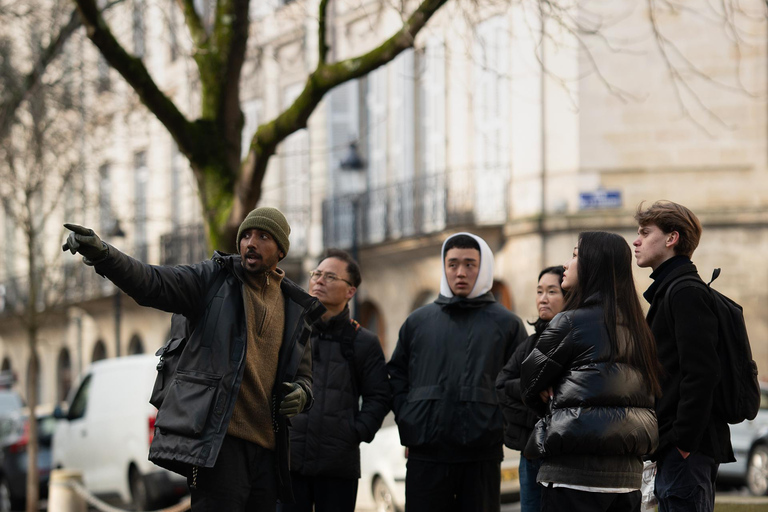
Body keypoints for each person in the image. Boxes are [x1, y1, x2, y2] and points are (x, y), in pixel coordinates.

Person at [62, 207, 325, 512]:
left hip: (268, 452)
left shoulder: (295, 308)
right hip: (218, 447)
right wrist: (104, 254)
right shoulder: (212, 280)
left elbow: (305, 377)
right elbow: (151, 282)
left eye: (263, 236)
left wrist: (302, 394)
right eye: (246, 235)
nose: (250, 243)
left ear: (281, 250)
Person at [520, 231, 661, 512]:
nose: (566, 264)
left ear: (591, 266)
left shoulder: (570, 322)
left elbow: (529, 380)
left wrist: (552, 396)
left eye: (574, 256)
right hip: (626, 481)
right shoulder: (640, 329)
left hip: (573, 476)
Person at [387, 232, 527, 512]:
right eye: (452, 264)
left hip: (481, 456)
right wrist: (409, 420)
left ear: (483, 267)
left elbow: (522, 384)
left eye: (469, 264)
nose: (460, 272)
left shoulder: (507, 324)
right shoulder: (417, 322)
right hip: (425, 453)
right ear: (444, 266)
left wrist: (498, 424)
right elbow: (396, 377)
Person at [633, 201, 734, 512]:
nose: (636, 241)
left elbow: (702, 373)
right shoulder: (672, 289)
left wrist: (683, 444)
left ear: (671, 238)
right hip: (677, 449)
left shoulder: (684, 291)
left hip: (688, 452)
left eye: (645, 233)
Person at [279, 249, 391, 512]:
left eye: (330, 277)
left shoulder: (363, 341)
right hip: (289, 462)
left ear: (350, 291)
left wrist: (354, 432)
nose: (319, 280)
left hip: (338, 467)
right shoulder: (290, 331)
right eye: (316, 274)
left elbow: (380, 396)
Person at [496, 265, 565, 512]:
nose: (543, 298)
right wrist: (536, 407)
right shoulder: (529, 344)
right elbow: (502, 385)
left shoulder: (574, 339)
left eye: (552, 291)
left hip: (565, 457)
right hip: (532, 453)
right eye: (539, 291)